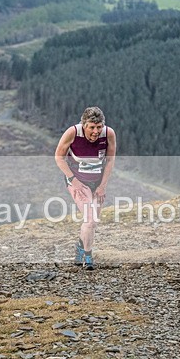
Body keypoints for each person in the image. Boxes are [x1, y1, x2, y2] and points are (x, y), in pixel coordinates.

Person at [54, 106, 117, 270]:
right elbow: (59, 157)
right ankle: (88, 258)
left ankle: (80, 248)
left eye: (99, 127)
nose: (96, 131)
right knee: (90, 220)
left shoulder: (108, 133)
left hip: (97, 182)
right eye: (92, 127)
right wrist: (72, 180)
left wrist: (103, 186)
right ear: (84, 126)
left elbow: (110, 161)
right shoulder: (73, 132)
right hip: (78, 181)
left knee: (93, 222)